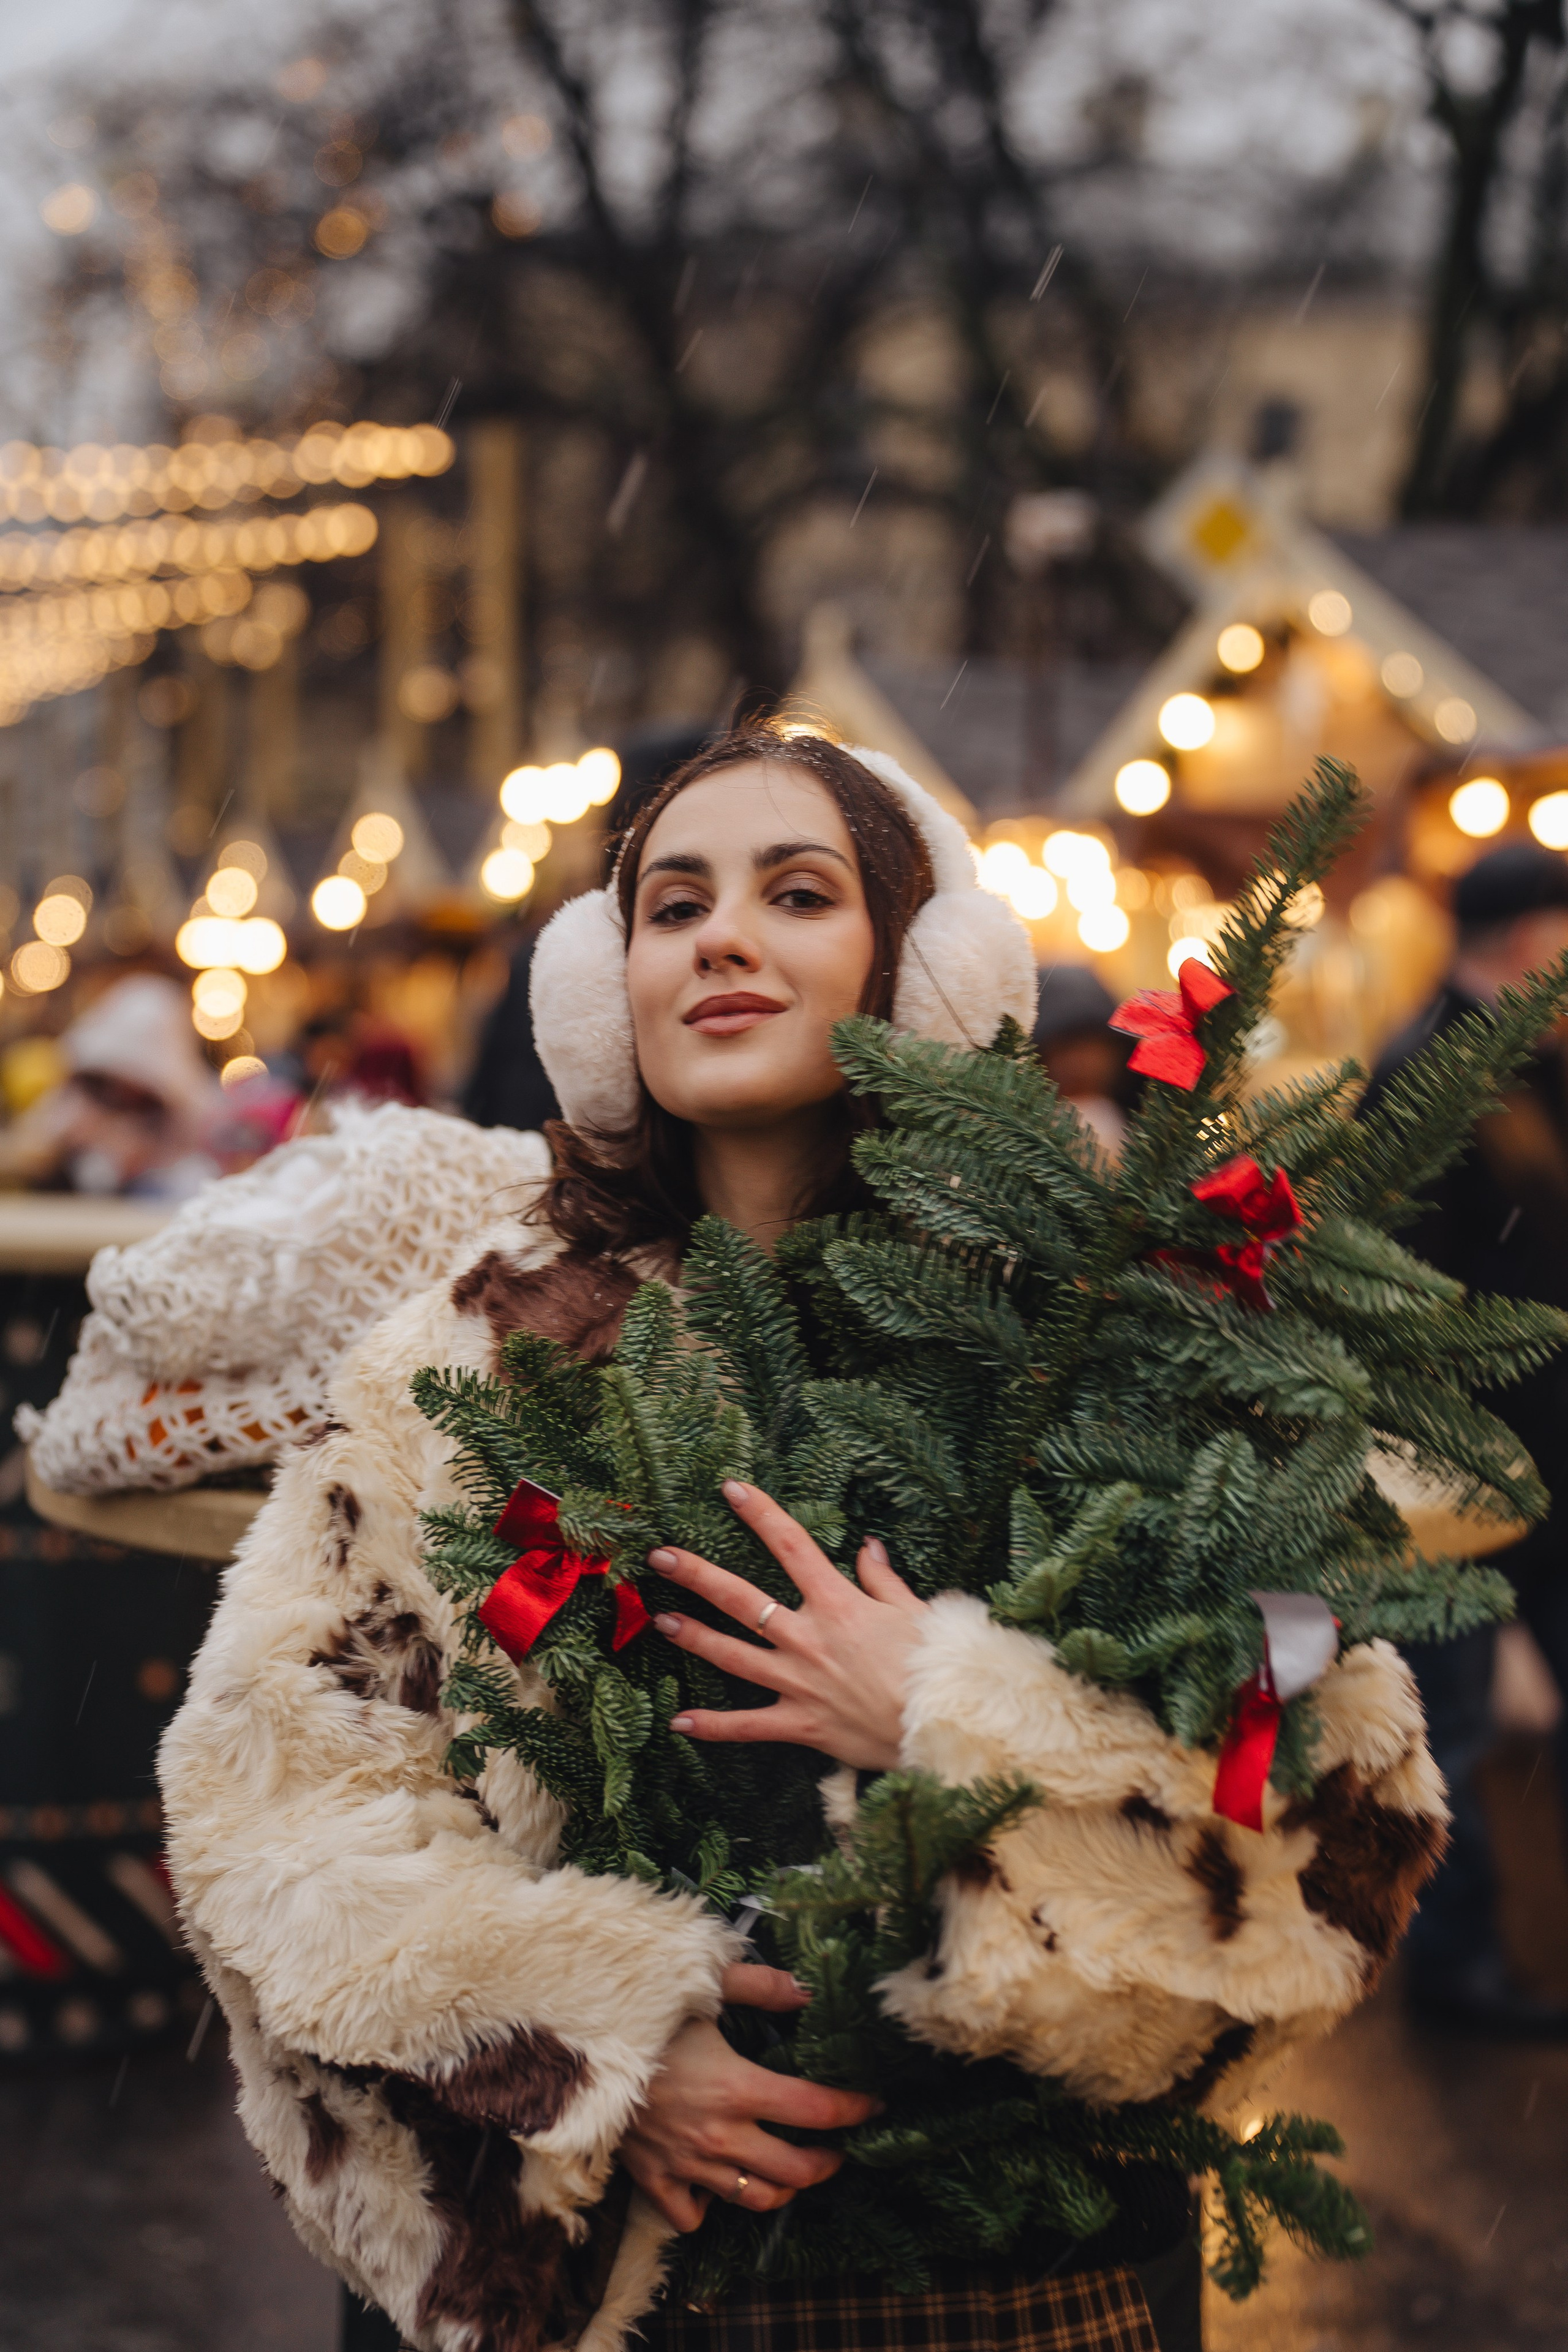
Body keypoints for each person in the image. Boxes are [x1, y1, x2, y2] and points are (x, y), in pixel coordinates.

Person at [158, 729, 1444, 2352]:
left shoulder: (1101, 1339)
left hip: (1021, 2285)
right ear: (601, 989)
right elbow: (276, 1805)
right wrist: (585, 2052)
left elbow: (1327, 1793)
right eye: (672, 905)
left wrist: (953, 1710)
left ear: (918, 970)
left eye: (799, 892)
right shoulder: (462, 1363)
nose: (721, 938)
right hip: (625, 2283)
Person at [1361, 839, 1568, 2037]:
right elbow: (1410, 1282)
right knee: (1452, 1720)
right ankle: (1448, 1964)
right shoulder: (1426, 1074)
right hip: (1466, 1465)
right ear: (1523, 940)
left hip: (1544, 1453)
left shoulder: (1526, 1060)